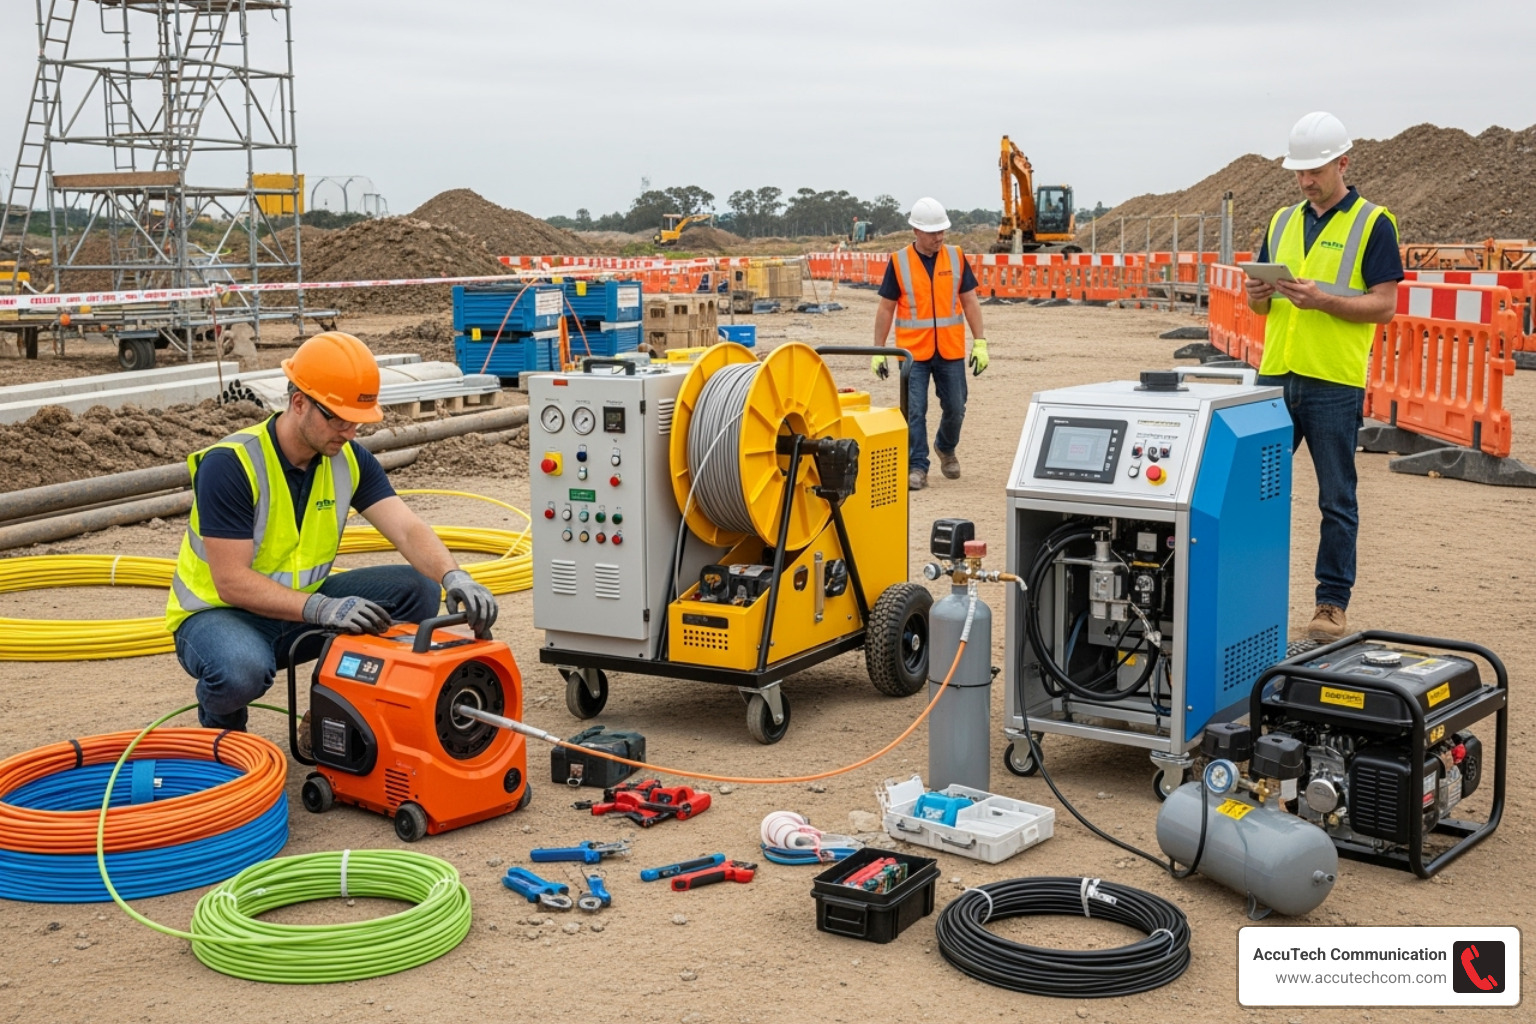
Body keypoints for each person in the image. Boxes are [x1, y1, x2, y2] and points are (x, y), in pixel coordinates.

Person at [166, 331, 499, 736]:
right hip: (219, 616)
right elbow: (231, 581)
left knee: (419, 588)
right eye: (337, 418)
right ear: (299, 402)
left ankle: (337, 716)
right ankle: (224, 732)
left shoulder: (347, 460)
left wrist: (454, 575)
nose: (348, 431)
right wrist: (322, 609)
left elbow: (408, 530)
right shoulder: (232, 464)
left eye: (356, 421)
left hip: (301, 610)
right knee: (240, 671)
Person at [1245, 112, 1402, 640]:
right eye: (1299, 172)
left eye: (1315, 170)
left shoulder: (1374, 222)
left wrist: (1324, 301)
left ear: (1342, 162)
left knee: (1336, 498)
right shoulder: (1281, 221)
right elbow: (1261, 311)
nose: (1306, 181)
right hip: (1274, 377)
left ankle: (1330, 605)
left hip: (1332, 382)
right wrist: (1256, 296)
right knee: (1249, 492)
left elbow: (1384, 305)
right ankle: (1242, 592)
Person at [873, 196, 989, 490]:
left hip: (949, 349)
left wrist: (980, 342)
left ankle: (945, 447)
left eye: (942, 231)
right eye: (933, 232)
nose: (939, 237)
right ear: (916, 231)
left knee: (955, 407)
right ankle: (917, 466)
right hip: (912, 353)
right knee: (914, 410)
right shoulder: (899, 262)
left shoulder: (956, 256)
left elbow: (970, 301)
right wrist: (878, 350)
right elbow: (886, 308)